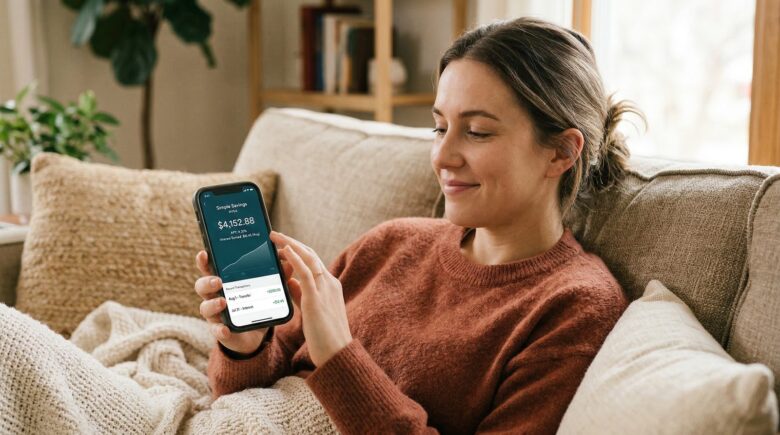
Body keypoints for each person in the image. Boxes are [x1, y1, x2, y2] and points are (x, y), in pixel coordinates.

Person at [195, 17, 640, 435]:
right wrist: (247, 344)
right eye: (439, 127)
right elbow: (248, 388)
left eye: (478, 132)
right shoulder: (391, 243)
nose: (442, 158)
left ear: (561, 152)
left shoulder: (575, 308)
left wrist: (339, 356)